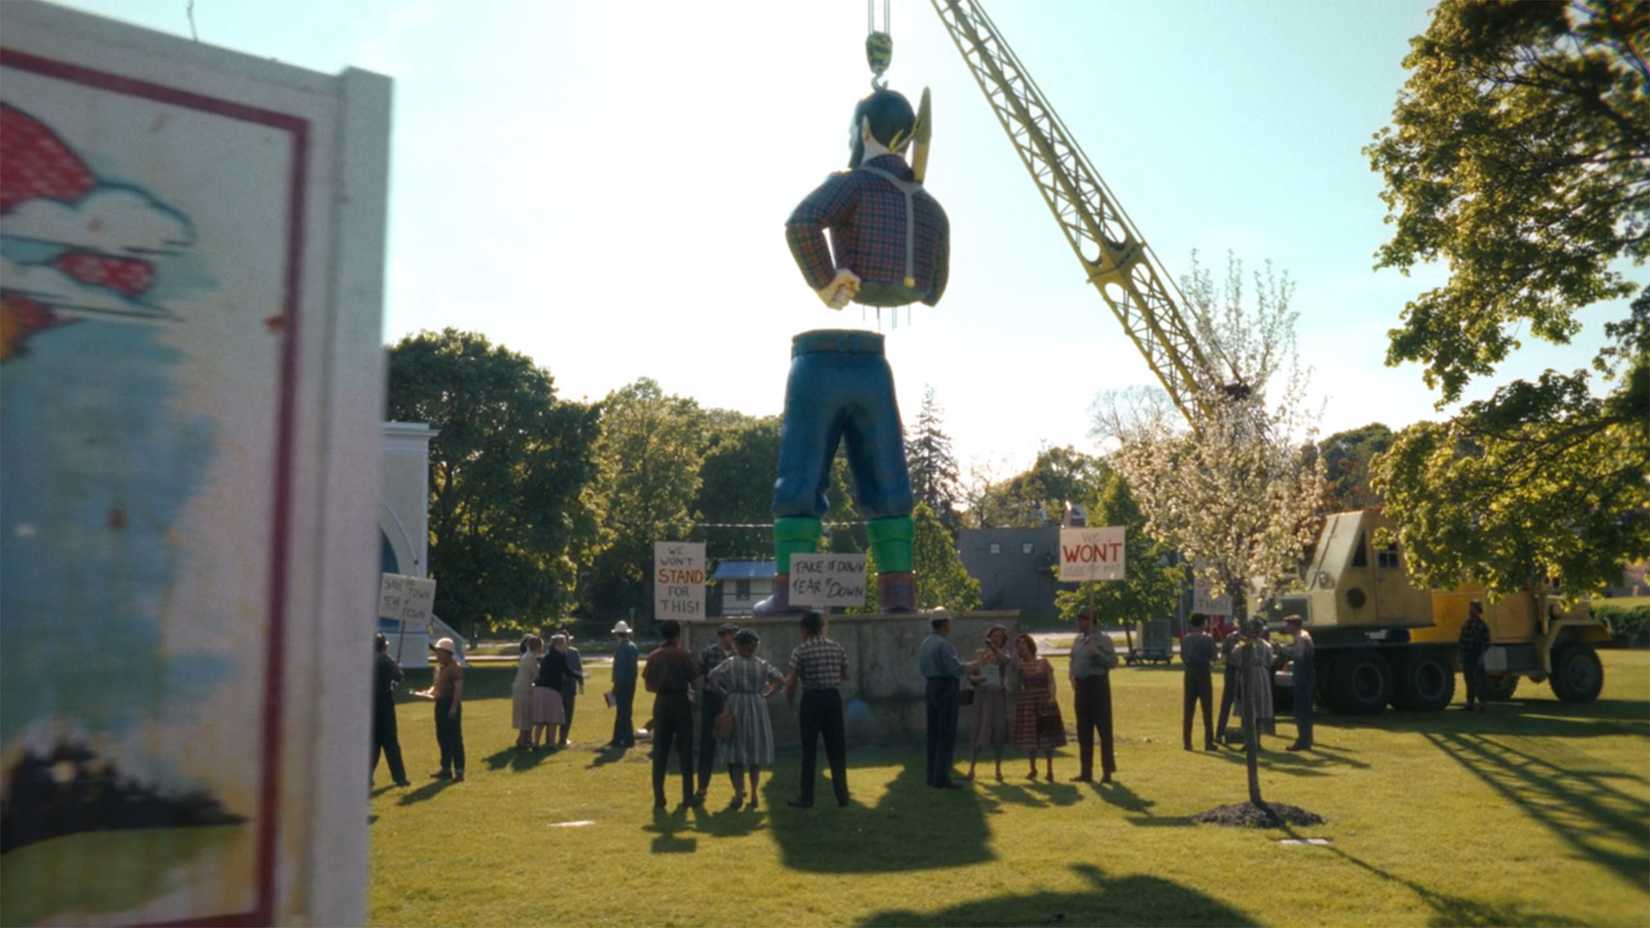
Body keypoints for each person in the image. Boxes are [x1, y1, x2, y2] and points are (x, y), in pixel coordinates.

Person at [755, 87, 949, 616]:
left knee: (799, 473)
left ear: (864, 130)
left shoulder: (852, 184)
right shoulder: (930, 206)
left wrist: (826, 280)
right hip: (874, 367)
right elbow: (935, 289)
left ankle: (790, 591)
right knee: (888, 476)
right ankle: (898, 592)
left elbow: (800, 224)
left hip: (816, 365)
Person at [708, 628, 786, 810]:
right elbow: (781, 680)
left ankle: (737, 794)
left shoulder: (731, 663)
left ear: (736, 645)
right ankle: (753, 794)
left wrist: (724, 693)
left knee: (735, 752)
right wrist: (766, 695)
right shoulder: (762, 664)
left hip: (734, 704)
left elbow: (712, 677)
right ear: (754, 646)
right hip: (757, 705)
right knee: (754, 752)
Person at [784, 611, 851, 808]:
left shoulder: (800, 650)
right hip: (832, 698)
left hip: (811, 699)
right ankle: (842, 795)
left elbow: (792, 682)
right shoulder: (836, 647)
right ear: (821, 627)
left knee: (809, 750)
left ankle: (807, 797)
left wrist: (789, 701)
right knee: (837, 749)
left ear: (804, 629)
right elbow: (845, 674)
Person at [644, 619, 701, 809]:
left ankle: (659, 797)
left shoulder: (653, 656)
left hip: (661, 702)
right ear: (677, 635)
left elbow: (648, 684)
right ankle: (687, 797)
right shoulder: (683, 655)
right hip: (681, 701)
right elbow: (695, 680)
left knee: (660, 751)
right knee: (685, 750)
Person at [918, 615, 969, 788]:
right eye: (949, 623)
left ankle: (932, 776)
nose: (950, 626)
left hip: (931, 685)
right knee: (946, 733)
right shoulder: (944, 644)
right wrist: (974, 665)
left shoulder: (925, 643)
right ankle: (942, 777)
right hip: (946, 686)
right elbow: (954, 669)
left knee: (933, 733)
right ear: (944, 624)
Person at [1069, 610, 1119, 784]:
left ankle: (1107, 771)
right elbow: (1073, 659)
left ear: (1090, 622)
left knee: (1104, 729)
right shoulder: (1078, 640)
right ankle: (1085, 771)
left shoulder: (1103, 639)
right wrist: (1072, 675)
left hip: (1097, 685)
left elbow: (1113, 662)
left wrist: (1096, 654)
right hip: (1081, 687)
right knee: (1084, 730)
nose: (1078, 624)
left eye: (1081, 621)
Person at [1011, 633, 1065, 781]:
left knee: (1047, 736)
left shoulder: (1043, 662)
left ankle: (1049, 769)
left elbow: (1051, 681)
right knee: (1031, 736)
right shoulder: (1019, 665)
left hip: (1044, 700)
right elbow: (1013, 673)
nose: (1021, 647)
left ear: (1029, 645)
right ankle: (1033, 768)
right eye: (1018, 645)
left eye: (1023, 644)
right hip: (1028, 701)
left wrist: (1053, 696)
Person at [695, 623, 739, 803]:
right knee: (708, 745)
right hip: (712, 700)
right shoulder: (709, 653)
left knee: (733, 745)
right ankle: (702, 788)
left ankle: (738, 789)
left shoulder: (738, 654)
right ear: (723, 636)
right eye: (731, 635)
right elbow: (700, 674)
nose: (733, 639)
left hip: (730, 701)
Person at [966, 624, 1012, 782]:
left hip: (998, 697)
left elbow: (1006, 661)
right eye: (994, 635)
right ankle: (971, 769)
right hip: (982, 696)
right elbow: (971, 677)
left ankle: (998, 770)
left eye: (999, 636)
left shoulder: (1004, 654)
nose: (996, 638)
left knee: (998, 731)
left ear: (1003, 639)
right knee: (978, 730)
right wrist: (978, 677)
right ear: (989, 636)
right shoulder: (980, 654)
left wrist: (994, 649)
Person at [413, 637, 464, 782]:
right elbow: (435, 686)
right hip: (440, 704)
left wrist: (454, 707)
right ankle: (446, 769)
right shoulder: (439, 668)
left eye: (439, 652)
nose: (437, 655)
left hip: (450, 704)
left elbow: (458, 690)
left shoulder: (455, 668)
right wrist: (427, 692)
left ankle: (459, 770)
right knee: (442, 737)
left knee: (454, 738)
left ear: (448, 653)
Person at [371, 632, 409, 787]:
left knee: (373, 744)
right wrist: (397, 667)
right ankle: (399, 778)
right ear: (383, 646)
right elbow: (399, 677)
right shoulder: (385, 660)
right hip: (384, 704)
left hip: (370, 704)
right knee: (391, 743)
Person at [1233, 619, 1275, 743]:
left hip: (1256, 674)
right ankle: (1252, 740)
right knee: (1251, 708)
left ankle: (1253, 741)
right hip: (1257, 675)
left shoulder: (1261, 645)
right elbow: (1270, 661)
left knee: (1254, 708)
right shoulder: (1263, 645)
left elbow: (1235, 658)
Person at [1181, 615, 1217, 752]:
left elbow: (1183, 656)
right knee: (1207, 710)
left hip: (1190, 674)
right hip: (1203, 673)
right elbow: (1214, 657)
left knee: (1188, 710)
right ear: (1203, 623)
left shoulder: (1186, 639)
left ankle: (1187, 742)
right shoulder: (1208, 639)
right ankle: (1209, 742)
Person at [530, 634, 570, 750]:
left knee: (541, 720)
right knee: (553, 719)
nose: (565, 645)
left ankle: (536, 743)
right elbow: (567, 671)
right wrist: (580, 675)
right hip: (552, 690)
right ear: (559, 644)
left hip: (540, 690)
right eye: (564, 643)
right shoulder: (559, 656)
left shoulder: (547, 655)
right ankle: (551, 744)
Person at [1284, 616, 1315, 750]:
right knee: (1306, 708)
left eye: (1288, 625)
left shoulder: (1301, 637)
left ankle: (1303, 740)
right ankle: (1307, 738)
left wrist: (1282, 648)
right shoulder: (1305, 635)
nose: (1286, 628)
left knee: (1301, 709)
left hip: (1303, 677)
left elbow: (1299, 655)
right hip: (1306, 675)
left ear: (1293, 625)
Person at [608, 621, 639, 747]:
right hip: (631, 683)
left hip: (622, 684)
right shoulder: (633, 646)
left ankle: (626, 739)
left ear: (617, 634)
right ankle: (620, 738)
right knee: (625, 711)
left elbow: (620, 669)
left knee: (623, 712)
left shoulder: (621, 648)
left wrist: (616, 686)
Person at [1459, 600, 1491, 712]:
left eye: (1473, 608)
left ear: (1477, 610)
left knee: (1480, 681)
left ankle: (1483, 703)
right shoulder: (1466, 624)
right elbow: (1461, 640)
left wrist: (1482, 657)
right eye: (1470, 607)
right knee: (1469, 680)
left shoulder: (1482, 625)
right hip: (1468, 655)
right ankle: (1470, 703)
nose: (1470, 610)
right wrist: (1462, 655)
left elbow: (1486, 643)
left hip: (1477, 654)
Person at [511, 635, 541, 750]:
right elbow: (537, 675)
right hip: (525, 689)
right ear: (538, 646)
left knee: (525, 715)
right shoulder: (531, 658)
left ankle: (526, 739)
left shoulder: (525, 656)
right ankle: (522, 741)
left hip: (520, 688)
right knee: (526, 715)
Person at [558, 627, 585, 747]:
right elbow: (579, 669)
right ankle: (563, 738)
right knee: (567, 713)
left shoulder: (554, 652)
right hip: (568, 687)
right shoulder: (574, 652)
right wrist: (581, 683)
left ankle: (555, 738)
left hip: (557, 686)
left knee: (556, 713)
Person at [1215, 623, 1241, 745]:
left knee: (1226, 703)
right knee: (1247, 704)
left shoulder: (1230, 637)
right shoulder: (1252, 637)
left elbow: (1224, 658)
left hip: (1231, 671)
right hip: (1244, 671)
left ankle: (1219, 733)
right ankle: (1249, 734)